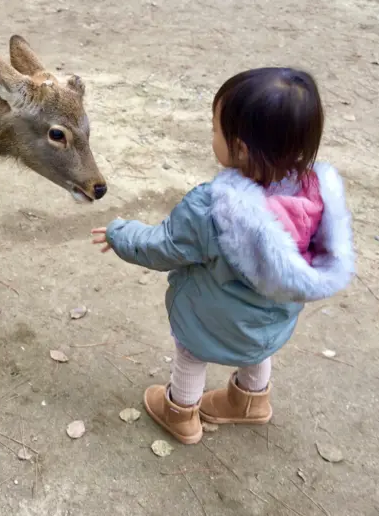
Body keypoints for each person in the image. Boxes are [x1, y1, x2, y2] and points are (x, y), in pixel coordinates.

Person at [91, 67, 354, 444]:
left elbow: (163, 246)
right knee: (256, 344)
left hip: (211, 319)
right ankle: (250, 402)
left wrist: (120, 234)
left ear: (241, 149)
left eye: (215, 130)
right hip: (270, 322)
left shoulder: (213, 208)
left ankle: (180, 413)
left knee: (191, 351)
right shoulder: (315, 199)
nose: (211, 136)